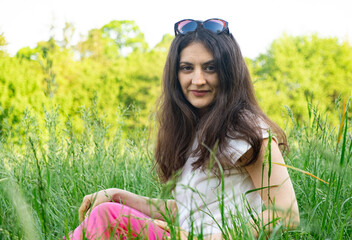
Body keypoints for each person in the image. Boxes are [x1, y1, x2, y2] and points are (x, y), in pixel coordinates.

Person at [66, 18, 299, 240]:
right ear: (175, 75)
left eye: (210, 68)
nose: (197, 79)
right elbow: (189, 211)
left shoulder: (249, 130)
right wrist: (121, 197)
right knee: (110, 209)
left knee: (106, 216)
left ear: (228, 73)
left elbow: (286, 213)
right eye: (187, 68)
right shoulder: (193, 133)